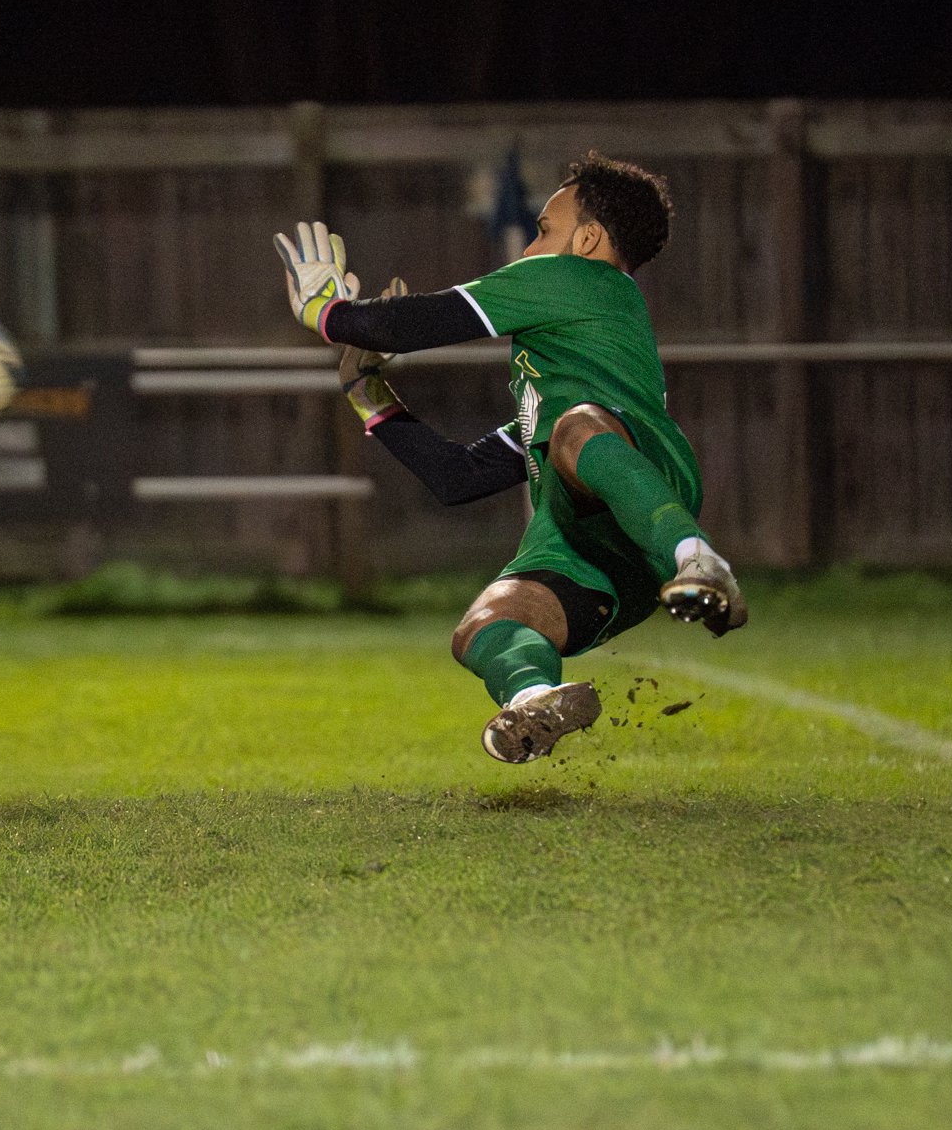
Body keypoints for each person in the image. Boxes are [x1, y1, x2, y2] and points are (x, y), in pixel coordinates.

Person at [273, 151, 747, 764]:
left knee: (577, 428)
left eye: (544, 231)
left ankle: (700, 559)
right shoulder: (552, 389)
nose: (527, 249)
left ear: (588, 239)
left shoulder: (578, 277)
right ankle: (535, 700)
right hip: (599, 553)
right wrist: (371, 399)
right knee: (483, 625)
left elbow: (421, 322)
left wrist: (328, 315)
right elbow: (458, 477)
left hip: (644, 476)